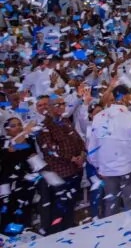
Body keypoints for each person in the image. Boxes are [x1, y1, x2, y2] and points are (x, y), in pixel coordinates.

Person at [87, 85, 131, 217]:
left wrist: (98, 165)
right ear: (126, 97)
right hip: (129, 168)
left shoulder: (98, 117)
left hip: (107, 169)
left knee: (111, 203)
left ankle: (111, 234)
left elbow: (92, 146)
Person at [35, 95, 86, 235]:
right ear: (49, 107)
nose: (62, 106)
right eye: (58, 104)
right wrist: (73, 158)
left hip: (74, 171)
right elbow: (51, 150)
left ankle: (68, 231)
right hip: (59, 174)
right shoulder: (44, 126)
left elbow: (79, 140)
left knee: (70, 205)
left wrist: (82, 154)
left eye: (63, 103)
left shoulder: (65, 121)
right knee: (58, 209)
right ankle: (56, 236)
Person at [0, 117, 37, 235]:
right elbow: (11, 148)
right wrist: (25, 132)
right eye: (13, 125)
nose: (18, 127)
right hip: (8, 185)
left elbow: (31, 156)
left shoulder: (29, 140)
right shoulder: (3, 141)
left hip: (26, 182)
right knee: (8, 213)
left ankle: (23, 237)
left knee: (24, 212)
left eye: (19, 124)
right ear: (7, 130)